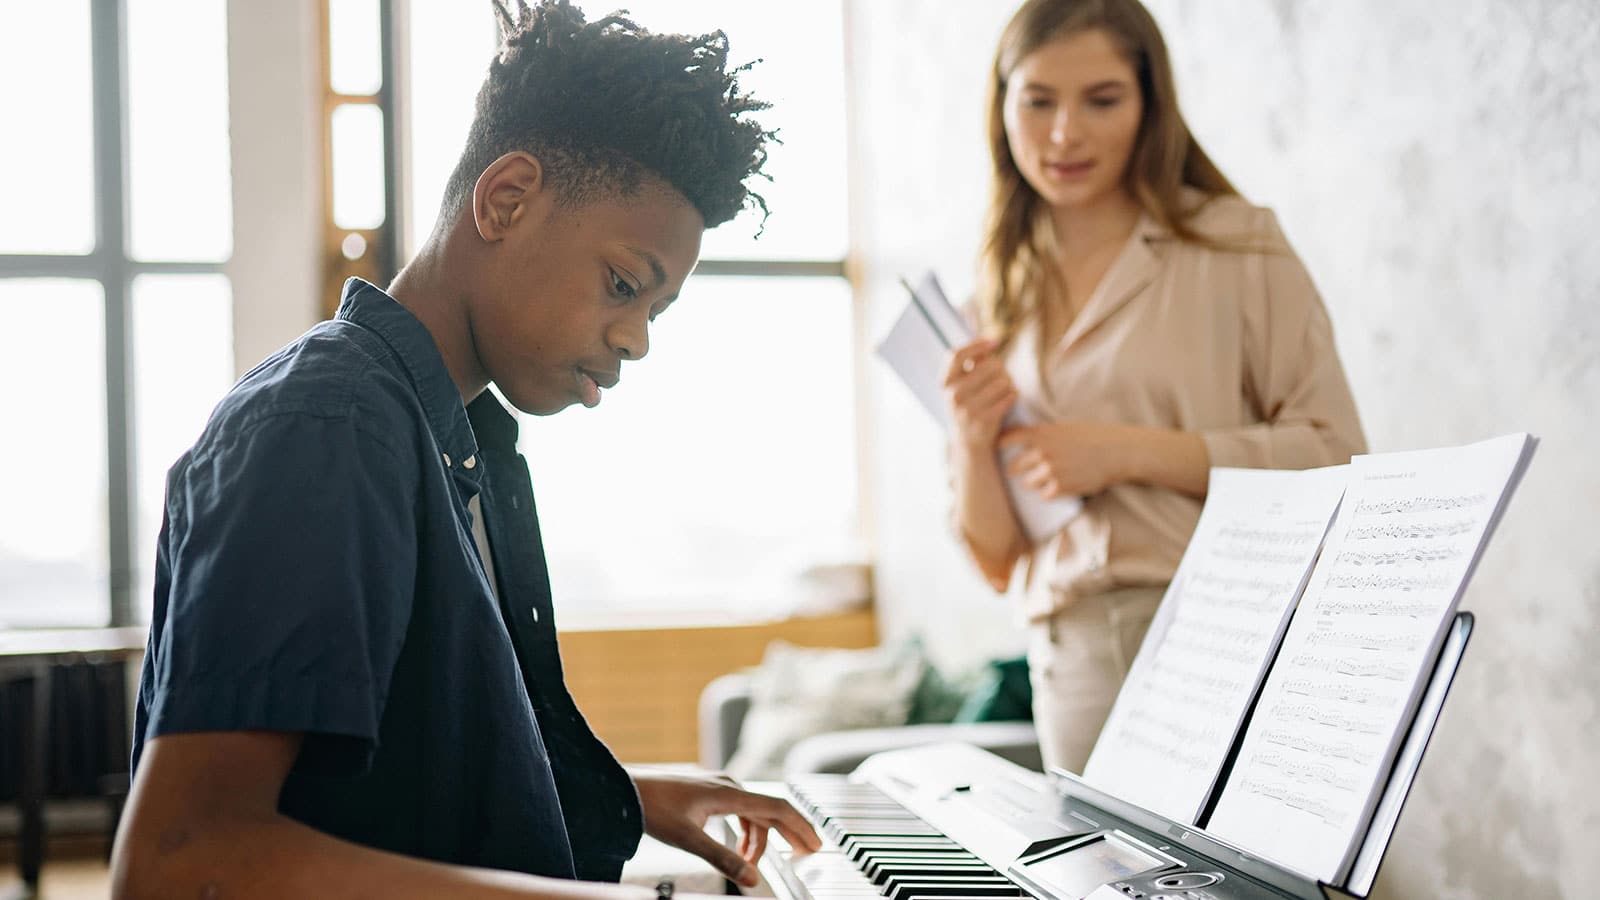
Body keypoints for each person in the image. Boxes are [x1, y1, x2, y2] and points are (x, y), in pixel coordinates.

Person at [110, 2, 821, 898]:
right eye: (621, 285)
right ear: (507, 198)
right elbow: (182, 862)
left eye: (655, 310)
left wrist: (624, 803)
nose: (638, 338)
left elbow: (400, 799)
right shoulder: (328, 425)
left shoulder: (456, 442)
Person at [943, 0, 1367, 775]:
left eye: (1101, 99)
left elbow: (1335, 455)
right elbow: (1000, 560)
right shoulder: (992, 296)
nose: (1065, 132)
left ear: (1149, 105)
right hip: (1073, 659)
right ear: (1002, 106)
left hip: (1233, 628)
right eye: (1038, 100)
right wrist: (973, 445)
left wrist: (1125, 454)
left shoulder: (1238, 245)